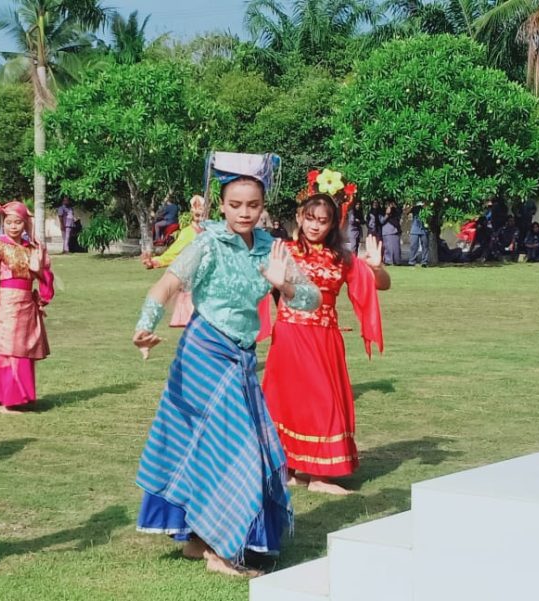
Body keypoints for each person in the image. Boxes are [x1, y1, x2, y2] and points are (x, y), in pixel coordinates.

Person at [132, 151, 321, 577]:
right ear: (221, 205)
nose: (244, 213)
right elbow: (166, 284)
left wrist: (284, 284)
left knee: (214, 448)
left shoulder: (273, 249)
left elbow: (312, 299)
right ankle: (220, 550)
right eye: (235, 205)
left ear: (263, 206)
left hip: (241, 358)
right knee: (234, 449)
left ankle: (198, 540)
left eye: (252, 205)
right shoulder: (208, 242)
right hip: (203, 352)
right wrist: (145, 326)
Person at [262, 193, 389, 496]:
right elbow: (259, 283)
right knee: (286, 401)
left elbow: (381, 284)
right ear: (300, 216)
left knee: (324, 400)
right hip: (290, 335)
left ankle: (320, 475)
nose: (315, 226)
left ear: (333, 224)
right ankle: (288, 470)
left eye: (323, 221)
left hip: (324, 338)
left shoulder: (341, 258)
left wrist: (377, 267)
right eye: (310, 218)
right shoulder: (285, 250)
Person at [0, 201, 54, 413]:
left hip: (27, 303)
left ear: (24, 224)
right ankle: (6, 400)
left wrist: (41, 280)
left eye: (18, 223)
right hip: (7, 303)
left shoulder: (31, 248)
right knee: (7, 348)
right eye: (9, 222)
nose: (13, 226)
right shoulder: (0, 245)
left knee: (22, 348)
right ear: (3, 223)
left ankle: (18, 397)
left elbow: (46, 274)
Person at [141, 195, 208, 327]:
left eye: (201, 214)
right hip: (192, 282)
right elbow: (173, 253)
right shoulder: (188, 233)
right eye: (196, 214)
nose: (199, 217)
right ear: (192, 214)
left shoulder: (210, 232)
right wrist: (155, 262)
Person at [407, 202, 428, 266]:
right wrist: (411, 206)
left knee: (425, 246)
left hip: (424, 229)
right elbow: (406, 213)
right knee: (413, 246)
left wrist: (425, 206)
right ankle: (412, 261)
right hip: (415, 229)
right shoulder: (415, 207)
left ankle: (424, 262)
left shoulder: (427, 208)